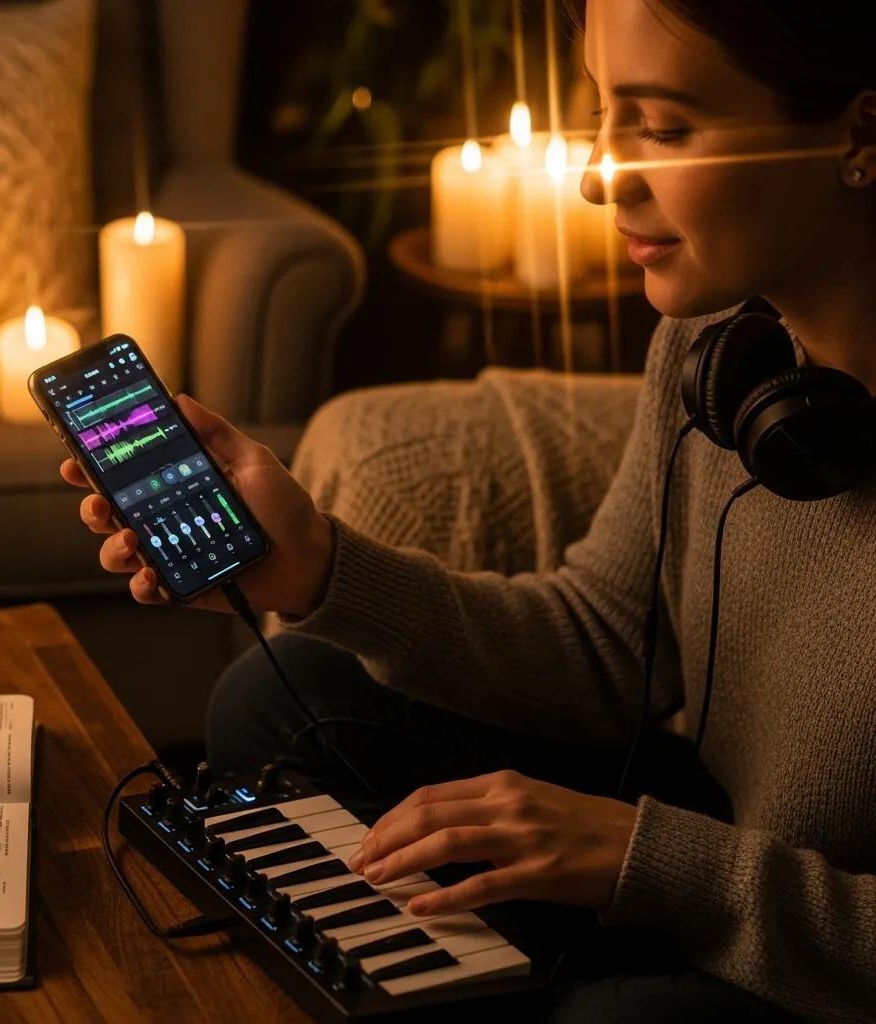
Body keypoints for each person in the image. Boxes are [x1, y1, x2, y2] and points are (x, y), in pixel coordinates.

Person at [60, 1, 876, 1020]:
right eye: (601, 114)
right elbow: (606, 642)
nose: (599, 178)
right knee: (284, 695)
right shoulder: (723, 351)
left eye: (665, 128)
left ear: (857, 132)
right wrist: (319, 567)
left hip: (823, 951)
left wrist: (652, 859)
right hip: (712, 852)